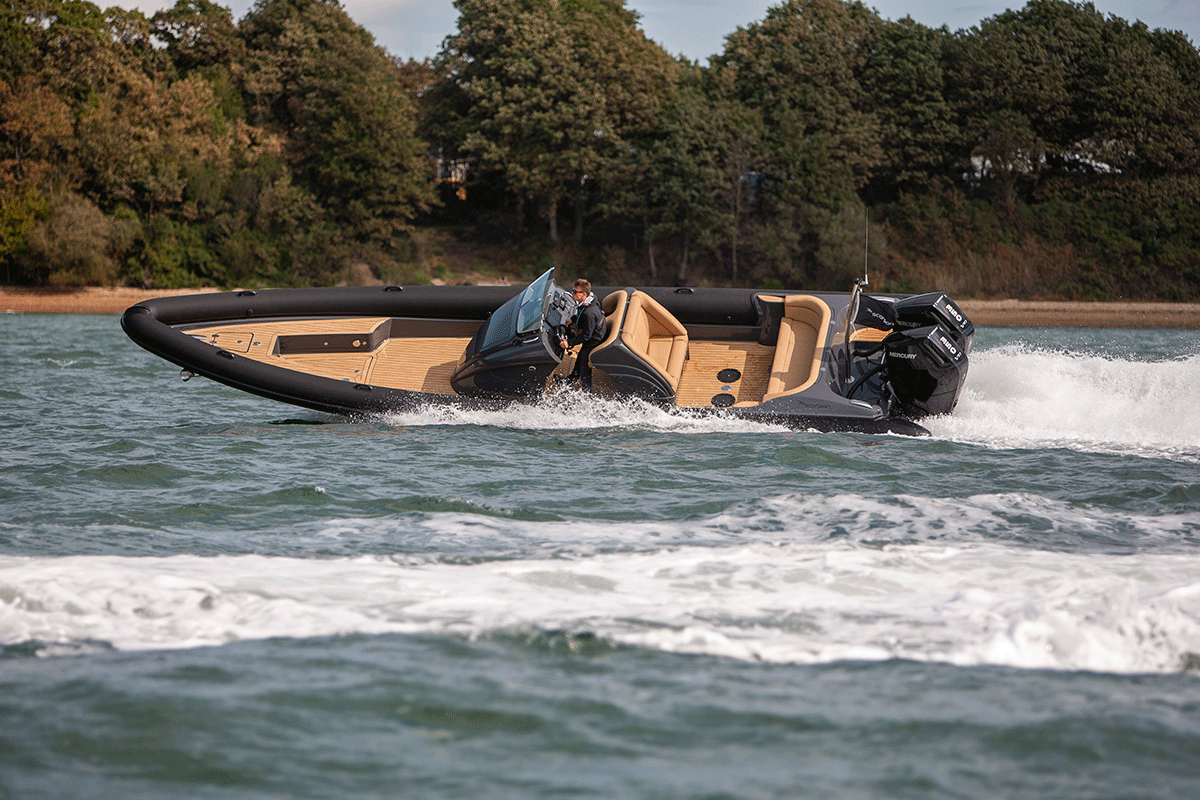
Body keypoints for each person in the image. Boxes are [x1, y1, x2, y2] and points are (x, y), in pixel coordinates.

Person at [558, 278, 607, 390]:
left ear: (584, 294)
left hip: (594, 341)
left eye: (575, 292)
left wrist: (569, 343)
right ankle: (569, 382)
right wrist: (573, 319)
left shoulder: (589, 313)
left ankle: (586, 393)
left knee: (584, 367)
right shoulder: (590, 301)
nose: (572, 293)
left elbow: (586, 336)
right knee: (579, 361)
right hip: (593, 334)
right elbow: (581, 314)